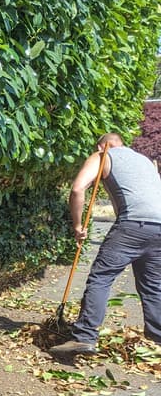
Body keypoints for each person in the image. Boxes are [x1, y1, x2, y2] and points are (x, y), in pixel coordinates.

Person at [50, 133, 161, 356]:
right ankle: (159, 338)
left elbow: (77, 189)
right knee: (153, 285)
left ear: (102, 144)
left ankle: (84, 337)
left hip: (132, 224)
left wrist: (78, 226)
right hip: (159, 226)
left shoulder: (103, 155)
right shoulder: (146, 161)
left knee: (101, 278)